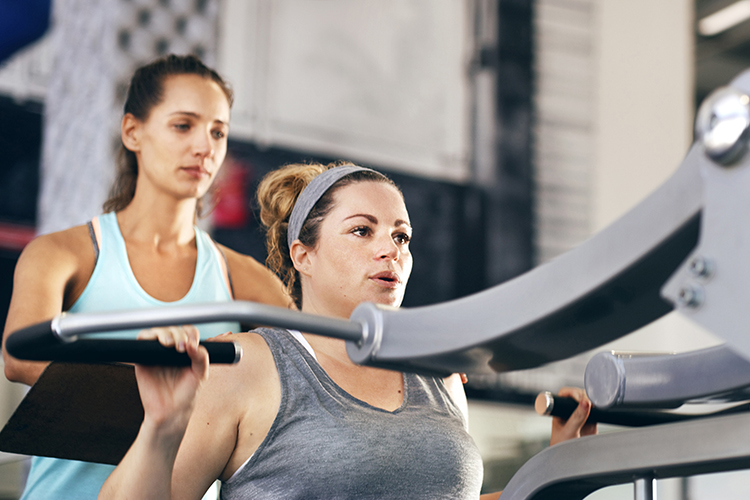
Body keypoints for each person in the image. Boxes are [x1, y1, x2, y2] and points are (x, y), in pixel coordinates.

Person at [97, 162, 595, 500]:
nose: (391, 249)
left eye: (401, 235)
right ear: (303, 255)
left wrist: (558, 470)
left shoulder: (438, 378)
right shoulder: (243, 365)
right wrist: (161, 427)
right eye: (362, 230)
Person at [1, 54, 292, 499]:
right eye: (184, 125)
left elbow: (303, 377)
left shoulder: (246, 280)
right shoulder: (61, 254)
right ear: (133, 131)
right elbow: (19, 359)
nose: (205, 147)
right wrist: (175, 398)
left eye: (218, 131)